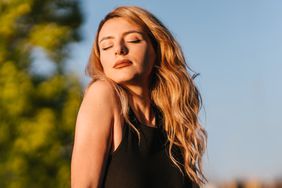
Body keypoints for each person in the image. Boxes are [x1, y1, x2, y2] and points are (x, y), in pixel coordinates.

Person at [71, 6, 208, 188]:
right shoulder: (102, 95)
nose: (119, 49)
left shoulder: (175, 125)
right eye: (107, 46)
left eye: (133, 40)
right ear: (101, 61)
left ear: (156, 50)